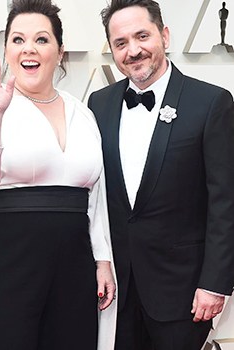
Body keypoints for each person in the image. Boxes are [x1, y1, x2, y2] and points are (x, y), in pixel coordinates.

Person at [0, 0, 116, 349]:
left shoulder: (83, 114)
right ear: (6, 49)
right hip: (1, 262)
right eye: (18, 40)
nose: (29, 49)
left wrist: (102, 259)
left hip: (73, 265)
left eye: (41, 39)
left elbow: (96, 197)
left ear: (60, 50)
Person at [88, 0, 234, 349]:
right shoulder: (98, 104)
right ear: (111, 50)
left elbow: (225, 201)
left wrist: (215, 283)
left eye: (142, 36)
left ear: (164, 35)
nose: (133, 50)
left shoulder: (211, 102)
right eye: (121, 43)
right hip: (117, 293)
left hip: (183, 293)